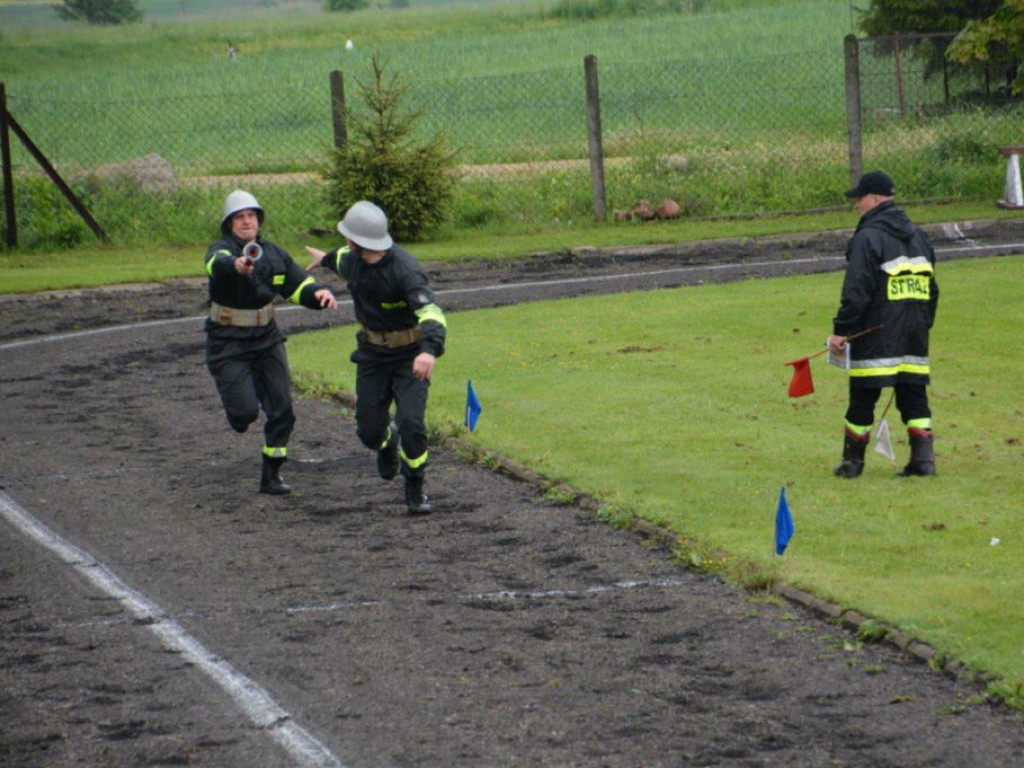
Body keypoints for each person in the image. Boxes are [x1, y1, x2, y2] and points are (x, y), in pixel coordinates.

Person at [305, 201, 446, 515]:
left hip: (411, 356)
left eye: (348, 237)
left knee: (411, 423)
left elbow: (432, 312)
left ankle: (415, 488)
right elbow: (338, 258)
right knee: (369, 432)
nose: (345, 243)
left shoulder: (405, 269)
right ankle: (385, 443)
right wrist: (323, 259)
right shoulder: (352, 260)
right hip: (371, 355)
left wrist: (428, 349)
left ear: (358, 241)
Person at [204, 190, 338, 495]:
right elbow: (216, 264)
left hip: (266, 339)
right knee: (244, 415)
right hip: (227, 341)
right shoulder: (221, 250)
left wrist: (319, 294)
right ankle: (239, 407)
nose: (246, 221)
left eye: (251, 216)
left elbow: (298, 284)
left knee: (283, 410)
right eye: (239, 217)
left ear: (259, 220)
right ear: (229, 224)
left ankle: (272, 475)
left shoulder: (274, 254)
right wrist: (236, 265)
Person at [828, 170, 939, 479]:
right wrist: (922, 324)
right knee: (914, 396)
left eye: (859, 200)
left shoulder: (867, 237)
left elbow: (856, 291)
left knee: (863, 397)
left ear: (875, 199)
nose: (856, 206)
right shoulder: (918, 236)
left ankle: (852, 463)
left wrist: (841, 330)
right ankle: (924, 462)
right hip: (915, 334)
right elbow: (932, 290)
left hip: (875, 332)